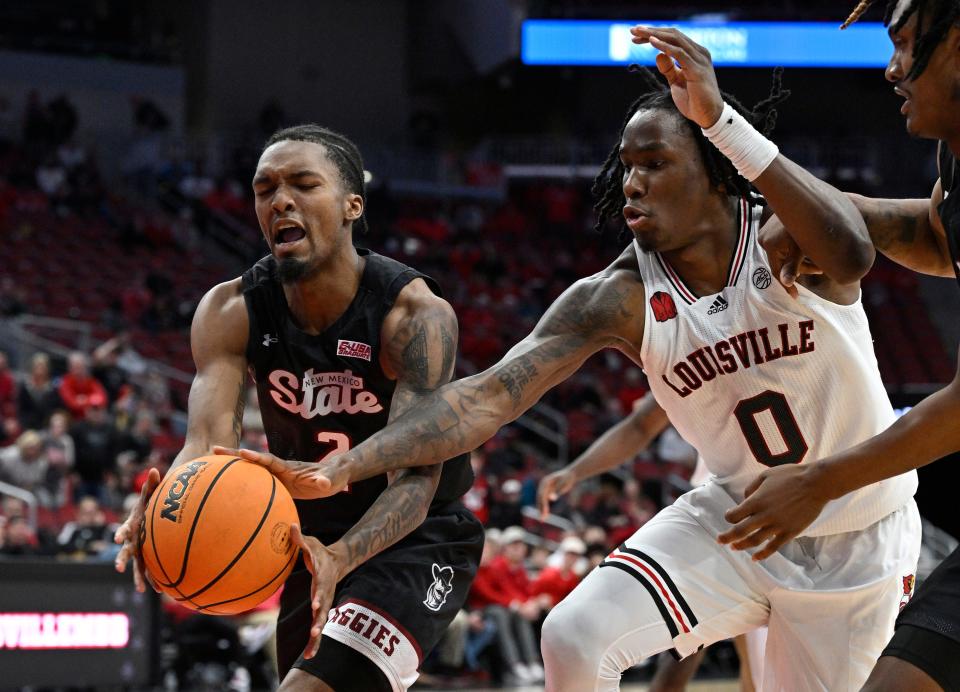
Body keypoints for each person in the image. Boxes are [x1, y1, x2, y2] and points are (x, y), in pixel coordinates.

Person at [231, 28, 921, 691]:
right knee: (574, 634)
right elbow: (485, 397)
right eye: (626, 165)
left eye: (654, 164)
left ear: (715, 168)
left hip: (854, 532)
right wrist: (346, 465)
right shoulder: (615, 298)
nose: (631, 183)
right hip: (739, 517)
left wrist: (725, 125)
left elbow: (854, 255)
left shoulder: (782, 237)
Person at [114, 124, 483, 692]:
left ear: (351, 205)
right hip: (302, 537)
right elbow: (206, 444)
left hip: (415, 534)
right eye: (265, 189)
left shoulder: (412, 315)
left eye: (304, 184)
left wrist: (343, 556)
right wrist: (167, 509)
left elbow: (417, 477)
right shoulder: (230, 308)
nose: (280, 199)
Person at [719, 2, 960, 690]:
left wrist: (819, 483)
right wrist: (842, 211)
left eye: (907, 43)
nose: (891, 69)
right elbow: (942, 241)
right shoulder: (958, 154)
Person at [538, 391, 762, 692]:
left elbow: (643, 421)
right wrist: (577, 470)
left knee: (740, 658)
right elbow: (642, 422)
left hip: (765, 518)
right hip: (711, 517)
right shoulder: (694, 357)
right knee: (690, 647)